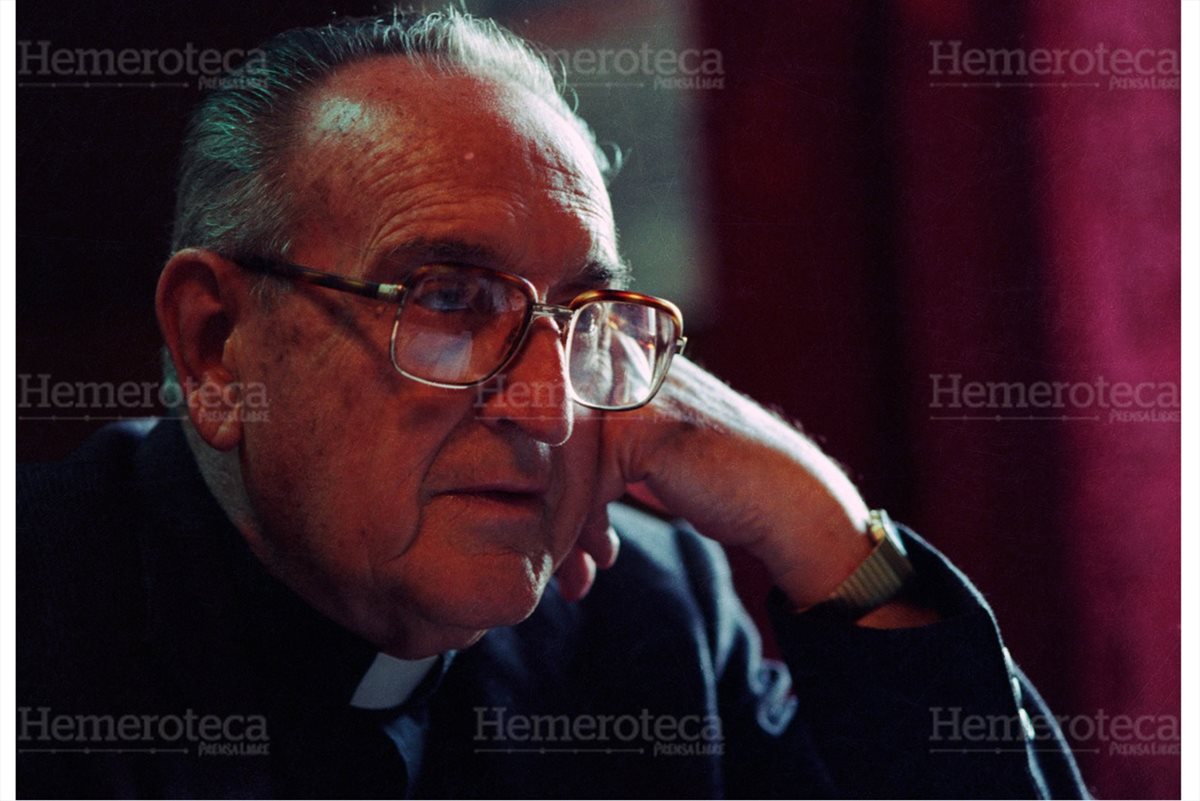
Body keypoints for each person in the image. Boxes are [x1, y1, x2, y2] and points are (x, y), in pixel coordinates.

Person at [17, 9, 1088, 798]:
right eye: (446, 297)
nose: (548, 405)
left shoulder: (650, 618)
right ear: (216, 348)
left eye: (582, 316)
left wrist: (819, 520)